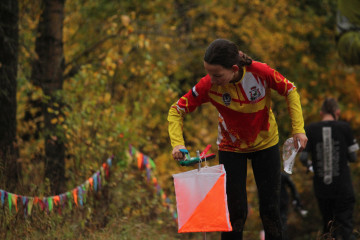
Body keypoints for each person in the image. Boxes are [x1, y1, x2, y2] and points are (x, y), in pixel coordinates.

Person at [168, 38, 307, 240]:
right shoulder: (208, 85)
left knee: (270, 209)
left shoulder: (260, 72)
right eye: (208, 73)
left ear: (234, 68)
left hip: (265, 144)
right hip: (231, 148)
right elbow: (176, 110)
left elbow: (290, 90)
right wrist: (177, 143)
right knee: (236, 213)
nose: (211, 79)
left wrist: (299, 130)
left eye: (217, 75)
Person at [300, 98, 359, 240]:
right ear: (337, 112)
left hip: (322, 188)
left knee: (328, 226)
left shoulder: (310, 129)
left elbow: (302, 158)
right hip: (343, 187)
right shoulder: (344, 127)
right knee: (345, 227)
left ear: (321, 113)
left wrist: (311, 166)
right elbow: (353, 158)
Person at [280, 172, 307, 240]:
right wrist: (296, 199)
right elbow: (292, 186)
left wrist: (296, 199)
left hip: (281, 202)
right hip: (282, 201)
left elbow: (292, 186)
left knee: (281, 222)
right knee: (282, 222)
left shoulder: (280, 175)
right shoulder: (281, 175)